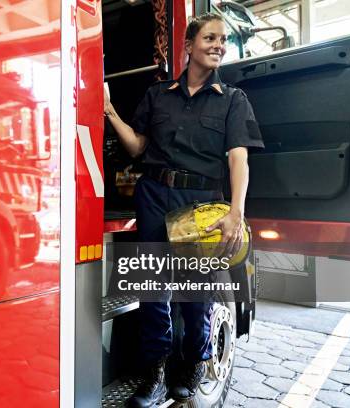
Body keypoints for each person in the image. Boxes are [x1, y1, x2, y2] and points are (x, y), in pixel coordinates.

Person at [104, 13, 264, 407]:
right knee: (153, 293)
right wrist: (108, 111)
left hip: (202, 206)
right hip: (155, 197)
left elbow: (238, 159)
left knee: (197, 297)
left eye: (223, 40)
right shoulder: (158, 96)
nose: (219, 45)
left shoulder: (233, 100)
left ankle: (194, 364)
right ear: (189, 45)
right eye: (210, 37)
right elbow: (138, 147)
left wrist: (236, 212)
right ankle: (154, 375)